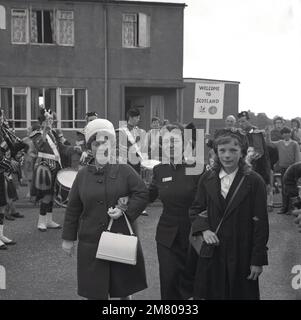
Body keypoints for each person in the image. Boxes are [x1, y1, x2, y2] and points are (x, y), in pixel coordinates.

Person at [62, 118, 148, 300]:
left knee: (124, 289)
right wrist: (68, 239)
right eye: (96, 143)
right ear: (90, 147)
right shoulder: (83, 175)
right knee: (95, 291)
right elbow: (73, 208)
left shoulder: (124, 170)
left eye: (105, 141)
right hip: (90, 242)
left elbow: (142, 193)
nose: (101, 146)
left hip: (120, 237)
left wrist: (125, 210)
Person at [189, 128, 269, 299]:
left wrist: (257, 260)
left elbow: (261, 224)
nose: (227, 155)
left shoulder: (254, 181)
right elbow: (195, 209)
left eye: (233, 150)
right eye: (222, 150)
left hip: (242, 254)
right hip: (213, 254)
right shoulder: (207, 178)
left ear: (242, 152)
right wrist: (204, 230)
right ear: (216, 153)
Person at [148, 123, 201, 300]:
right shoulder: (159, 169)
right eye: (166, 141)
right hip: (167, 234)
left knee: (191, 282)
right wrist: (123, 200)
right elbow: (146, 195)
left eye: (175, 141)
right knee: (169, 279)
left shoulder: (198, 168)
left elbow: (211, 201)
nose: (170, 145)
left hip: (194, 233)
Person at [31, 107, 81, 232]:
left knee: (52, 194)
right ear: (43, 121)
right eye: (50, 119)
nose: (52, 122)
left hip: (56, 166)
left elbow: (62, 148)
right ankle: (41, 222)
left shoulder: (52, 133)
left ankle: (49, 220)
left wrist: (73, 149)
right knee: (46, 195)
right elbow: (40, 146)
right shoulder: (37, 134)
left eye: (52, 119)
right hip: (45, 167)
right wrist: (44, 131)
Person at [267, 126, 300, 214]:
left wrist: (297, 169)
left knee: (292, 189)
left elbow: (297, 157)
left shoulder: (294, 143)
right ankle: (284, 207)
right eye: (284, 133)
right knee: (284, 189)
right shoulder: (280, 143)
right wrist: (268, 133)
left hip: (292, 169)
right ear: (282, 135)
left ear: (290, 134)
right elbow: (269, 143)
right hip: (282, 168)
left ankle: (292, 208)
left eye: (288, 132)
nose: (286, 134)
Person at [237, 111, 271, 186]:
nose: (241, 124)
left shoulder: (255, 132)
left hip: (258, 169)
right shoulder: (243, 133)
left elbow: (258, 152)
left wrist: (245, 161)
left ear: (249, 121)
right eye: (239, 122)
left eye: (243, 121)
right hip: (249, 169)